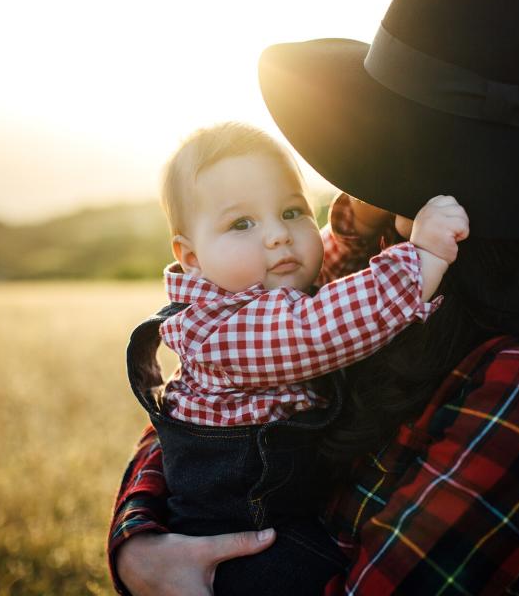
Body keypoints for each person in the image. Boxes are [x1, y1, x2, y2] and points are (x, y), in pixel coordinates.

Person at [109, 0, 519, 594]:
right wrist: (140, 543)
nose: (367, 170)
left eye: (401, 143)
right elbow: (212, 392)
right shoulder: (362, 240)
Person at [130, 122, 469, 595]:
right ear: (190, 257)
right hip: (239, 547)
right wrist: (423, 257)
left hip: (279, 519)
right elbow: (320, 329)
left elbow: (319, 287)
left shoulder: (263, 289)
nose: (277, 237)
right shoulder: (220, 329)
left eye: (292, 211)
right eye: (241, 224)